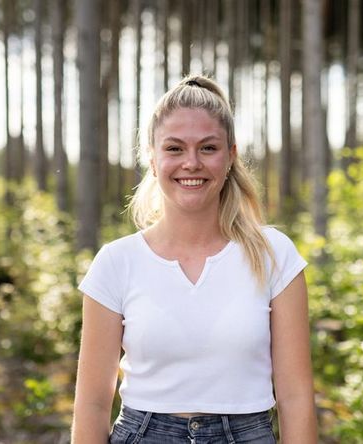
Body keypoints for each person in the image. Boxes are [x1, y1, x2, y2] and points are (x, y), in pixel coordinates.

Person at [71, 75, 317, 443]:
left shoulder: (274, 255)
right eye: (174, 149)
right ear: (152, 160)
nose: (191, 163)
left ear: (231, 157)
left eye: (208, 148)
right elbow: (91, 404)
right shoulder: (116, 263)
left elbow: (296, 399)